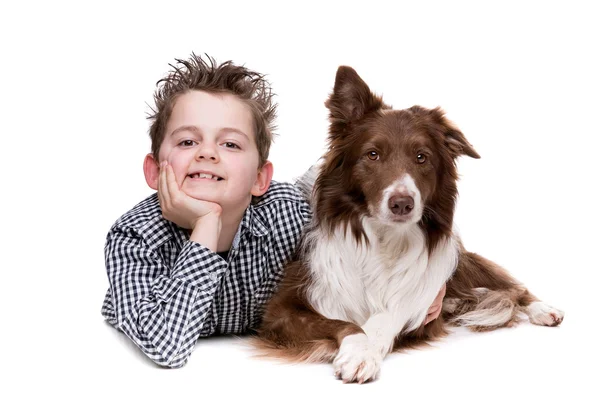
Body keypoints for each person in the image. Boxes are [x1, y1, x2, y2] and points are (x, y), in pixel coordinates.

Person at [101, 53, 445, 368]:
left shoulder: (284, 211)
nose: (207, 153)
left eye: (230, 143)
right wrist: (206, 226)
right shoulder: (133, 239)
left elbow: (353, 187)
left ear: (260, 178)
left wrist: (430, 281)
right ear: (153, 170)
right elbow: (165, 346)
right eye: (188, 141)